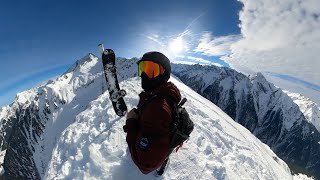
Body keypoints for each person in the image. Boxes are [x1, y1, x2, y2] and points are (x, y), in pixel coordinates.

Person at [123, 51, 181, 176]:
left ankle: (161, 162)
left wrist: (131, 122)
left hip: (150, 154)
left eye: (151, 70)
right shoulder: (160, 93)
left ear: (164, 74)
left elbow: (145, 166)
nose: (144, 74)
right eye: (142, 68)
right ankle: (162, 158)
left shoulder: (158, 108)